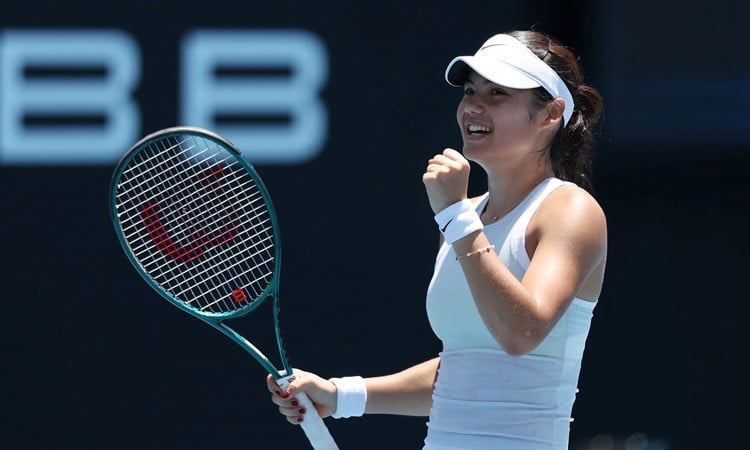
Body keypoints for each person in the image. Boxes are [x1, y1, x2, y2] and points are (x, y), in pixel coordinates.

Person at [267, 29, 606, 449]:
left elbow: (521, 335)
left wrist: (457, 218)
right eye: (469, 91)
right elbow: (466, 375)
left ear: (550, 114)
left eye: (498, 92)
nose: (474, 106)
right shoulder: (465, 219)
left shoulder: (570, 210)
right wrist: (342, 396)